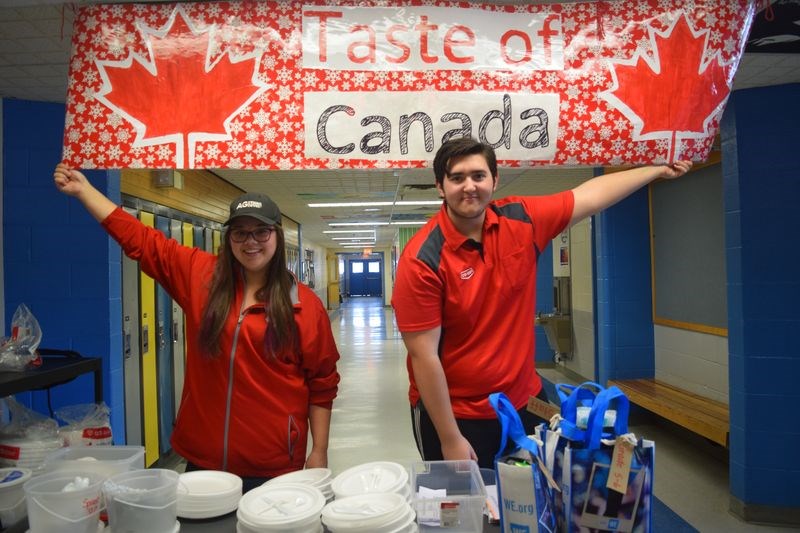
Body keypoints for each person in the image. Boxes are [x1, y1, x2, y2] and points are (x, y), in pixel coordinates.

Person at [391, 137, 692, 468]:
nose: (469, 187)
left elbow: (591, 197)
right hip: (455, 415)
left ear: (494, 180)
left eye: (478, 176)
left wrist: (655, 170)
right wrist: (449, 438)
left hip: (524, 402)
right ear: (440, 186)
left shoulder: (522, 220)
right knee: (466, 514)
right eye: (457, 177)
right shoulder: (422, 259)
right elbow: (424, 357)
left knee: (536, 504)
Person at [54, 164, 340, 492]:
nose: (251, 242)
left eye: (261, 231)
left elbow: (322, 384)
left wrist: (318, 451)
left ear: (276, 234)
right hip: (202, 460)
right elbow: (142, 241)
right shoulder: (202, 278)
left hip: (274, 465)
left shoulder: (303, 306)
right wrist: (84, 191)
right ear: (229, 237)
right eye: (240, 232)